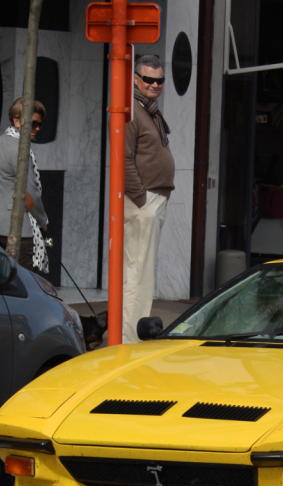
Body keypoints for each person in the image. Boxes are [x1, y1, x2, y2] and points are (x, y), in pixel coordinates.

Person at [122, 54, 175, 344]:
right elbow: (124, 159)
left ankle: (132, 335)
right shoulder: (132, 111)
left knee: (141, 273)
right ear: (135, 79)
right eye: (148, 79)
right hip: (144, 201)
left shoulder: (147, 109)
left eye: (159, 80)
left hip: (152, 198)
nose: (154, 84)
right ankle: (130, 339)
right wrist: (141, 199)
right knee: (138, 275)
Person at [0, 98, 49, 274]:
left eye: (40, 124)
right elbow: (31, 195)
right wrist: (43, 221)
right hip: (15, 230)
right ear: (17, 121)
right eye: (33, 123)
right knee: (24, 287)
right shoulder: (20, 149)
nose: (37, 128)